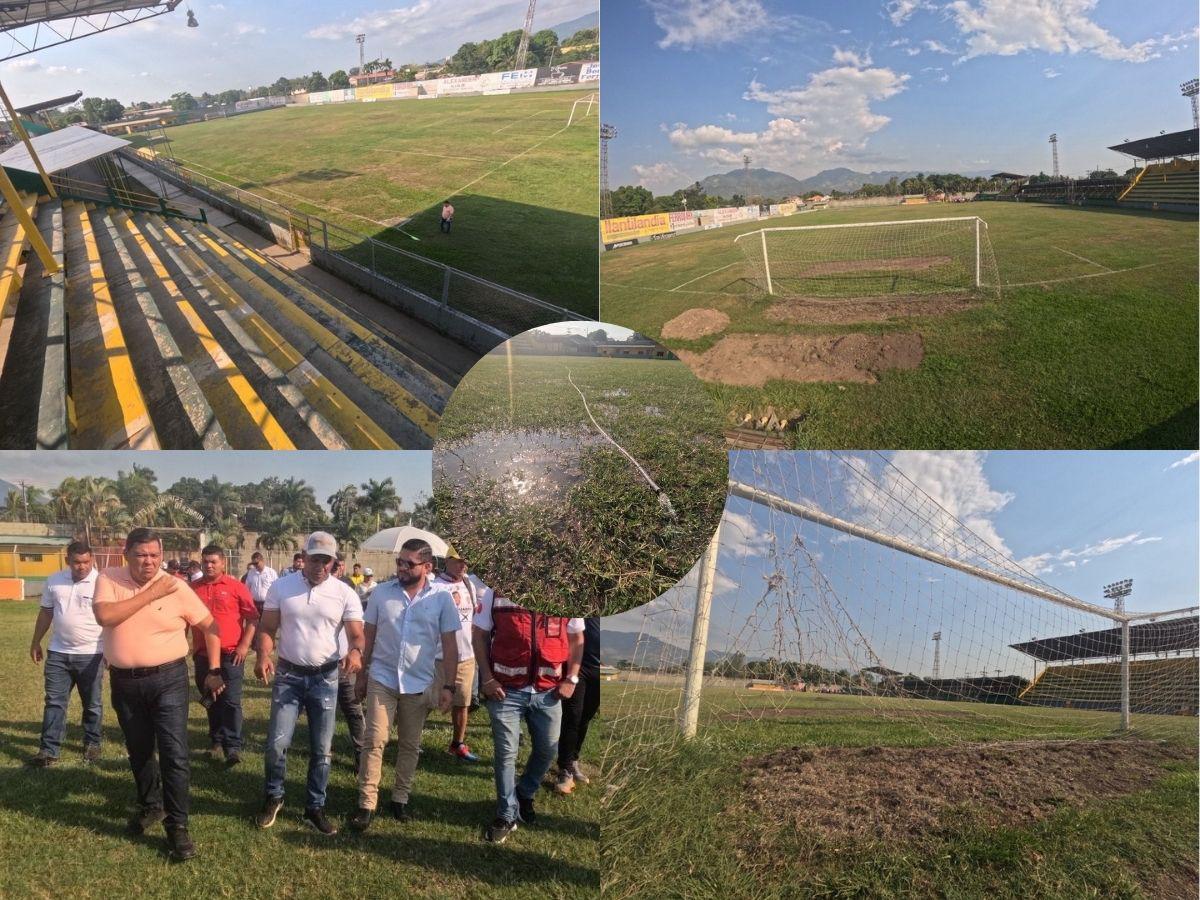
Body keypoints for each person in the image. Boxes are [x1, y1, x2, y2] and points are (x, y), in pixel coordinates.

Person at [93, 528, 225, 862]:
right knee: (138, 750)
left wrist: (213, 668)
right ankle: (151, 806)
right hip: (125, 682)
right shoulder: (109, 578)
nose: (149, 562)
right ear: (127, 554)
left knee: (174, 752)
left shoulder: (176, 586)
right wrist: (151, 594)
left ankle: (178, 826)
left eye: (154, 555)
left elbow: (209, 625)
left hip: (168, 678)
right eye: (141, 555)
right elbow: (105, 616)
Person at [255, 532, 364, 836]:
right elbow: (266, 628)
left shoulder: (345, 593)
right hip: (289, 675)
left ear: (334, 562)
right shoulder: (282, 587)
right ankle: (274, 796)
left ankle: (315, 806)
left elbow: (357, 635)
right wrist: (263, 655)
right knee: (277, 745)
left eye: (327, 560)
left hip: (326, 677)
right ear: (304, 556)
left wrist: (355, 652)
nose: (321, 566)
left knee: (322, 748)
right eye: (315, 558)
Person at [348, 538, 459, 832]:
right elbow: (368, 637)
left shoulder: (442, 598)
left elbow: (450, 646)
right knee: (374, 740)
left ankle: (400, 798)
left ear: (427, 566)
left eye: (409, 564)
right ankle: (366, 803)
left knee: (410, 745)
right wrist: (361, 676)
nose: (402, 568)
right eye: (400, 562)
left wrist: (450, 686)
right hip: (382, 678)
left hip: (419, 682)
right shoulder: (382, 594)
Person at [473, 591, 584, 844]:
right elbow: (478, 635)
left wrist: (572, 677)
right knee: (506, 754)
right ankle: (506, 813)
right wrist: (487, 678)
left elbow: (577, 639)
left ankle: (524, 793)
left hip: (548, 692)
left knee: (547, 750)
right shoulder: (495, 592)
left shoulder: (569, 591)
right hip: (505, 691)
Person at [28, 541, 103, 767]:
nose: (82, 566)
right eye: (77, 562)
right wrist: (35, 642)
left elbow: (111, 620)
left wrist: (110, 650)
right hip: (58, 653)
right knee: (54, 701)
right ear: (67, 561)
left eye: (86, 562)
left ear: (92, 560)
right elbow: (46, 613)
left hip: (92, 653)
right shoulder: (54, 580)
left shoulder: (102, 582)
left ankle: (92, 743)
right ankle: (49, 750)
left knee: (92, 703)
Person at [191, 545, 259, 767]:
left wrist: (244, 646)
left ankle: (233, 746)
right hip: (202, 655)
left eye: (213, 561)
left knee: (231, 701)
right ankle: (216, 741)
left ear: (223, 563)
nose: (209, 565)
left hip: (231, 655)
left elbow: (253, 619)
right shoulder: (193, 589)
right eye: (205, 561)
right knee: (211, 699)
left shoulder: (236, 587)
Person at [432, 548, 481, 762]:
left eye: (465, 562)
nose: (463, 566)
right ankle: (410, 739)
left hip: (466, 656)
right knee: (426, 701)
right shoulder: (435, 586)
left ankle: (457, 744)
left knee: (462, 703)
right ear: (447, 561)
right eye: (459, 562)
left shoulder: (469, 583)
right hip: (438, 656)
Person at [554, 617, 600, 794]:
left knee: (586, 717)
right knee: (573, 715)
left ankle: (573, 759)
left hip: (599, 669)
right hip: (579, 665)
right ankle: (564, 768)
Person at [244, 551, 278, 620]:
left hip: (267, 604)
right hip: (254, 604)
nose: (255, 565)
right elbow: (247, 588)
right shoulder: (251, 573)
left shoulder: (271, 572)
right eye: (253, 564)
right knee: (254, 625)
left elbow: (277, 588)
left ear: (262, 561)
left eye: (256, 563)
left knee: (266, 625)